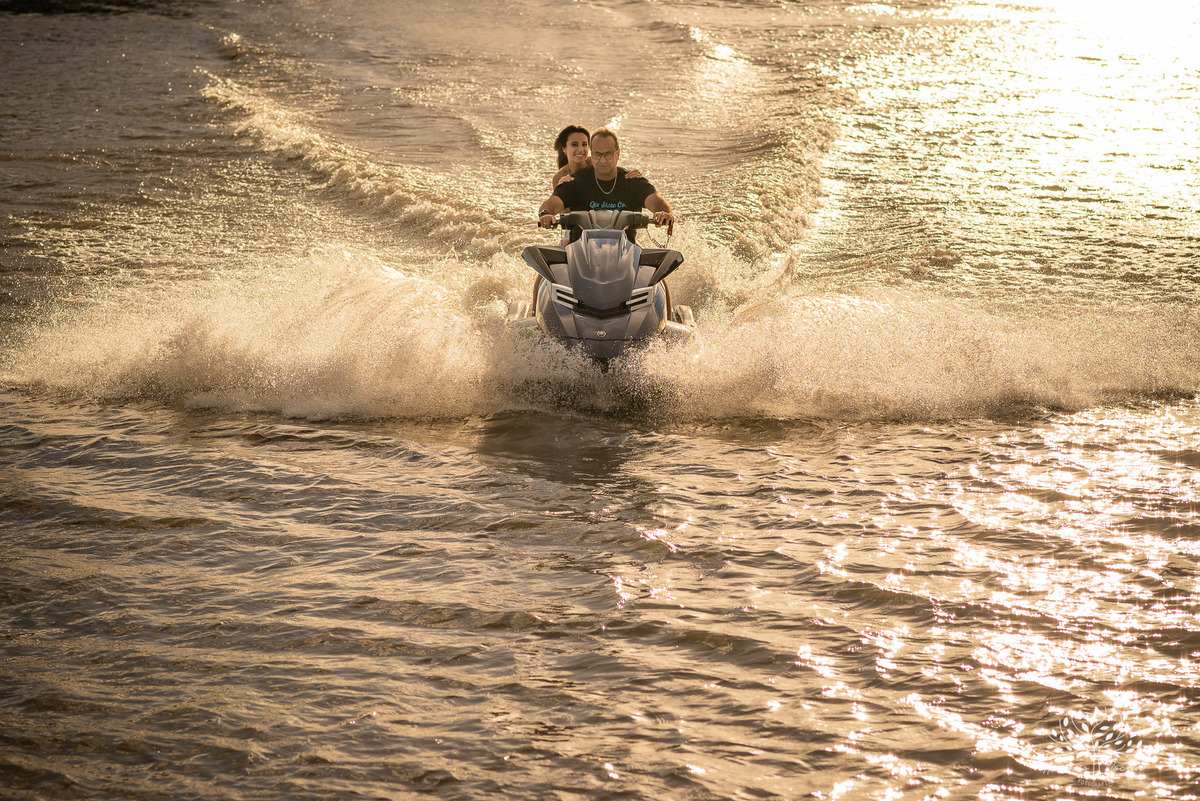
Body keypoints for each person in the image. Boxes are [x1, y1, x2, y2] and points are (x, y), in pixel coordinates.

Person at [537, 128, 674, 240]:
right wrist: (545, 214)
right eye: (597, 154)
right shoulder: (574, 182)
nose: (602, 160)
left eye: (608, 154)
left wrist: (663, 213)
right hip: (578, 256)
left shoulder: (633, 181)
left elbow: (656, 201)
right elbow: (552, 203)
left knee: (658, 268)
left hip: (626, 256)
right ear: (592, 154)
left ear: (617, 154)